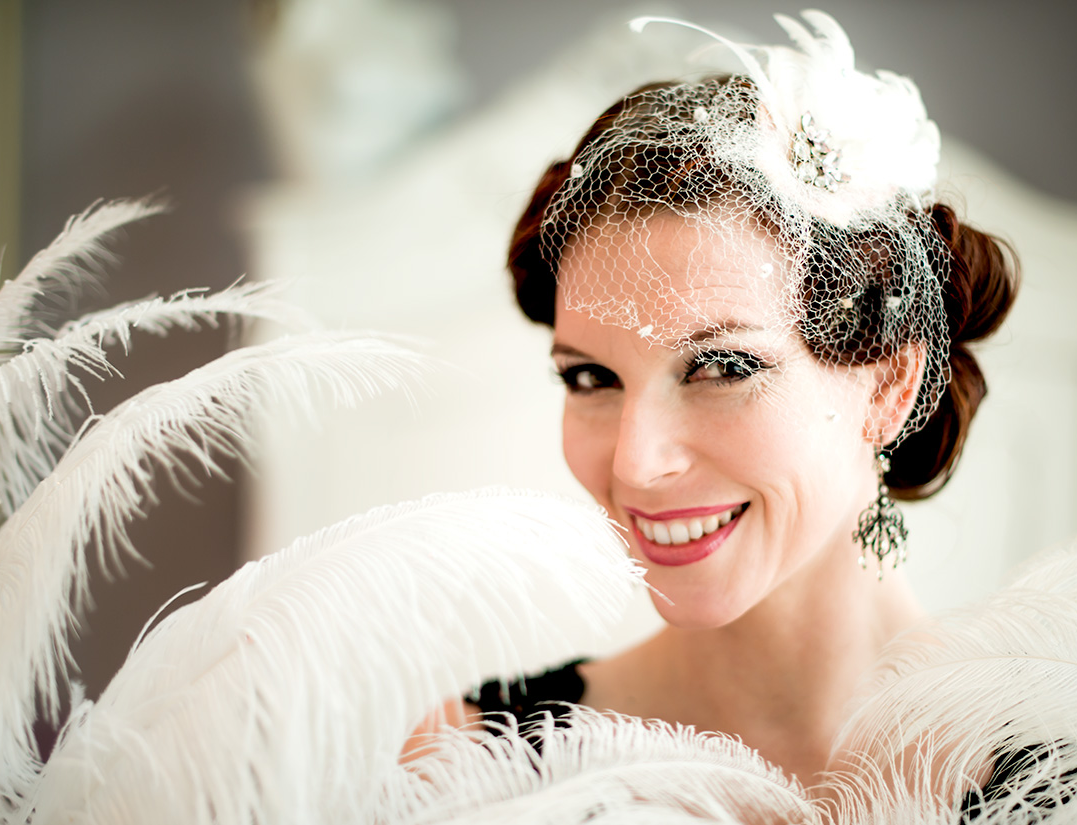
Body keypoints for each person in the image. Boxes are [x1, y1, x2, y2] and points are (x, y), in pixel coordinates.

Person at [421, 9, 1018, 788]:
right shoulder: (472, 763)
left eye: (723, 366)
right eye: (591, 377)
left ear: (888, 386)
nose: (636, 464)